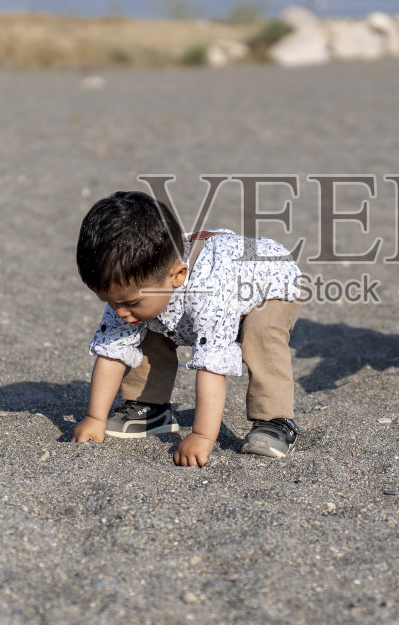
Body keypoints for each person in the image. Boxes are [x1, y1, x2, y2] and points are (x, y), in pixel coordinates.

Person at [73, 191, 302, 465]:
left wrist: (202, 436)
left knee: (261, 336)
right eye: (109, 301)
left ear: (178, 275)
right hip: (191, 291)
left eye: (130, 302)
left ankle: (275, 421)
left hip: (268, 285)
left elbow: (211, 365)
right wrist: (95, 417)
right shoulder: (134, 288)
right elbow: (112, 351)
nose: (120, 311)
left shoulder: (210, 291)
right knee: (143, 324)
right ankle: (150, 406)